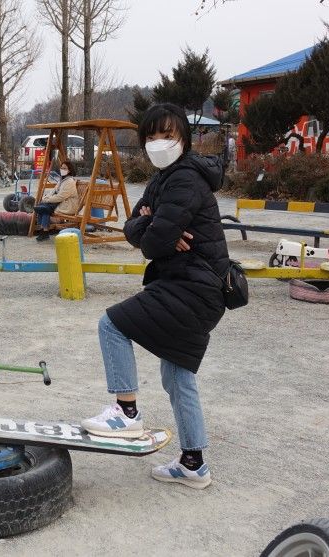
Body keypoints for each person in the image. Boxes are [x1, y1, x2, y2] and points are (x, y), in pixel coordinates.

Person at [80, 103, 229, 489]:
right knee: (177, 374)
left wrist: (154, 229)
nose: (158, 143)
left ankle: (127, 413)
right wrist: (152, 224)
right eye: (151, 136)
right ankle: (193, 463)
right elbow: (132, 226)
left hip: (193, 286)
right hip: (197, 286)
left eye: (168, 135)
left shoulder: (183, 179)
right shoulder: (165, 178)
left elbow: (149, 244)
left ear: (185, 138)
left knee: (112, 324)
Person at [33, 160, 79, 242]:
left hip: (67, 205)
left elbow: (61, 196)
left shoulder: (70, 182)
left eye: (65, 168)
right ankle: (43, 231)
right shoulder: (62, 180)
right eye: (61, 168)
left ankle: (44, 232)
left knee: (45, 209)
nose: (62, 169)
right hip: (60, 203)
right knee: (42, 208)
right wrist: (46, 197)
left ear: (69, 170)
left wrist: (47, 200)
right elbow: (53, 191)